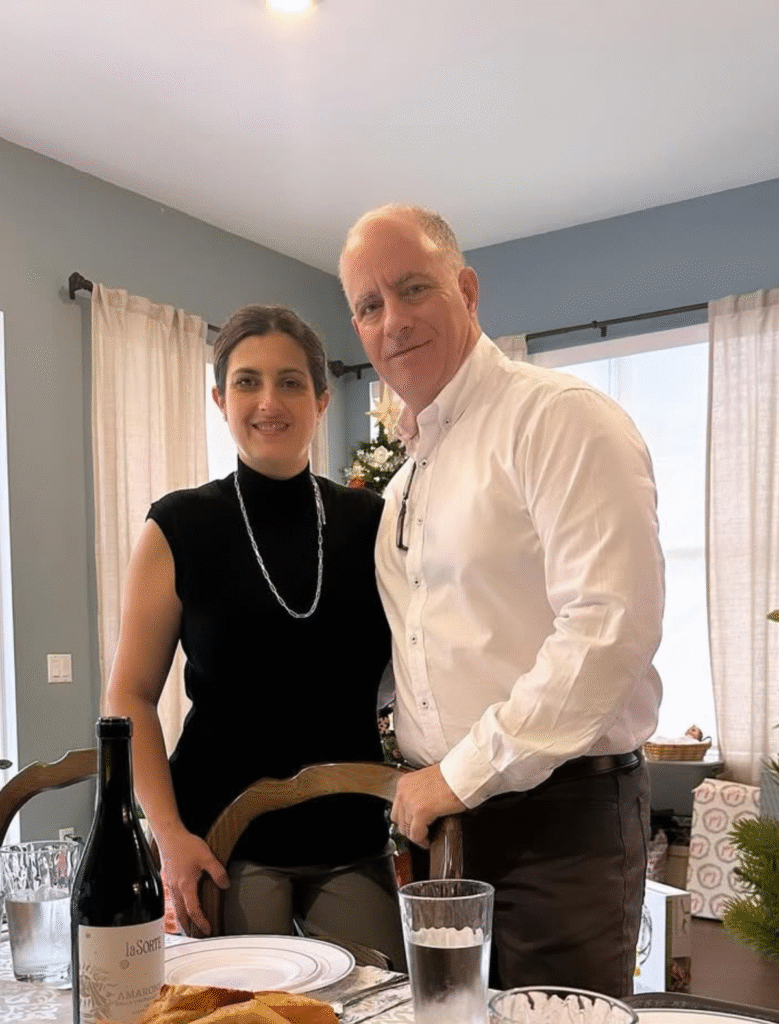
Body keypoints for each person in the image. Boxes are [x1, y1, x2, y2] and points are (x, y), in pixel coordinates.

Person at [338, 205, 664, 996]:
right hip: (443, 826)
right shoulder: (405, 484)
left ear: (466, 289)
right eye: (369, 305)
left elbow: (609, 626)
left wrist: (460, 772)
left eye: (412, 288)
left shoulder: (556, 418)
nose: (393, 320)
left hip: (561, 823)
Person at [105, 304, 405, 968]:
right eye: (247, 381)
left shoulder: (371, 523)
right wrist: (169, 835)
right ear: (220, 399)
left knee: (380, 1000)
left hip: (350, 833)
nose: (268, 401)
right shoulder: (178, 526)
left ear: (321, 399)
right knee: (243, 1006)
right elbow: (129, 696)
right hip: (220, 839)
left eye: (290, 382)